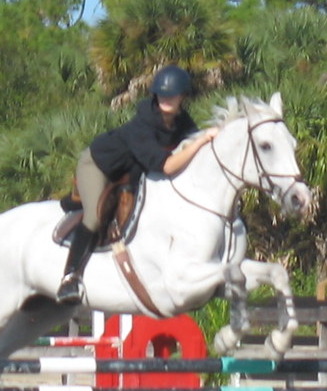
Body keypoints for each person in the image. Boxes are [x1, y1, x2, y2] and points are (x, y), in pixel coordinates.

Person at [57, 64, 218, 305]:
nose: (166, 99)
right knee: (94, 217)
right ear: (155, 95)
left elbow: (193, 146)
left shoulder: (182, 122)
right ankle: (69, 278)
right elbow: (167, 166)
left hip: (131, 174)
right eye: (162, 94)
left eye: (172, 95)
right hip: (99, 166)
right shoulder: (142, 125)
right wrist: (203, 139)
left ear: (183, 97)